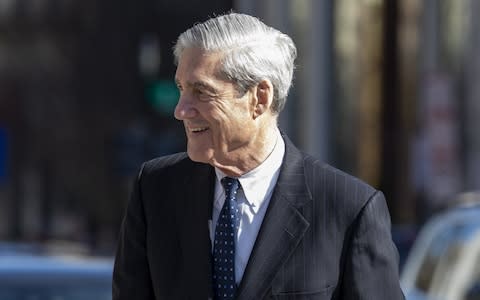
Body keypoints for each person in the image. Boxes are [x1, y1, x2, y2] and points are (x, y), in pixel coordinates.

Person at [113, 12, 405, 300]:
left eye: (201, 92)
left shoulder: (347, 209)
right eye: (181, 88)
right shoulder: (155, 190)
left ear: (259, 98)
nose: (181, 110)